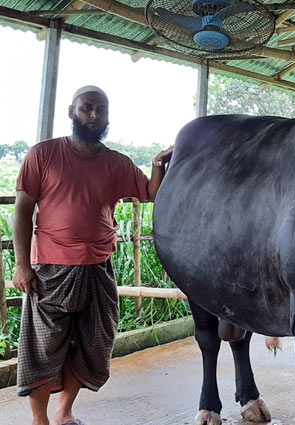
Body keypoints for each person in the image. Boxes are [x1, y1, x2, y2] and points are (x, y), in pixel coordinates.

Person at [12, 85, 173, 425]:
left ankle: (64, 412)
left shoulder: (116, 163)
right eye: (87, 107)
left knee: (93, 346)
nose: (95, 115)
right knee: (43, 348)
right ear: (72, 112)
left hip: (99, 267)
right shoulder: (42, 155)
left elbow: (150, 193)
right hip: (50, 269)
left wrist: (159, 164)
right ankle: (39, 419)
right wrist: (22, 265)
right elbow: (23, 211)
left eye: (101, 109)